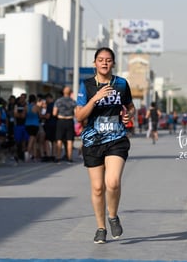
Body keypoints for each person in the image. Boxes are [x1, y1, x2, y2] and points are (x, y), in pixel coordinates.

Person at [75, 47, 135, 244]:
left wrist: (128, 115)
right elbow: (79, 116)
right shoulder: (86, 86)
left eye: (108, 60)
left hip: (116, 139)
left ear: (113, 63)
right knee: (98, 187)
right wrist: (95, 98)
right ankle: (101, 228)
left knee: (113, 182)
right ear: (94, 63)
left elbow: (130, 107)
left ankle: (113, 216)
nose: (104, 63)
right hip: (92, 141)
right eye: (100, 59)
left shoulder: (121, 84)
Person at [53, 86, 77, 163]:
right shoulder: (73, 102)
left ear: (63, 92)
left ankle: (58, 157)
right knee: (70, 140)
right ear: (70, 93)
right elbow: (76, 113)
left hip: (61, 120)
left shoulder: (58, 101)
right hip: (69, 121)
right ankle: (69, 158)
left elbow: (54, 113)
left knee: (59, 140)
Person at [24, 94, 41, 162]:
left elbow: (24, 115)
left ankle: (34, 155)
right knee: (32, 138)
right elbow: (39, 115)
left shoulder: (26, 107)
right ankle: (27, 152)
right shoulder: (36, 107)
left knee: (33, 139)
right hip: (35, 124)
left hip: (27, 124)